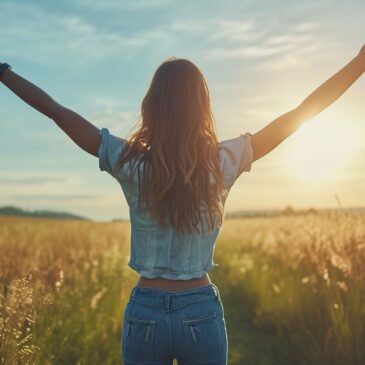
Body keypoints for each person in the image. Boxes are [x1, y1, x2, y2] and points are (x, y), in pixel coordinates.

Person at [1, 44, 364, 365]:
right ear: (202, 106)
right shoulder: (224, 161)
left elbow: (56, 111)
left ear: (152, 106)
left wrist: (4, 73)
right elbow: (299, 115)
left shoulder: (130, 162)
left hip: (145, 310)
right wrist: (358, 64)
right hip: (200, 310)